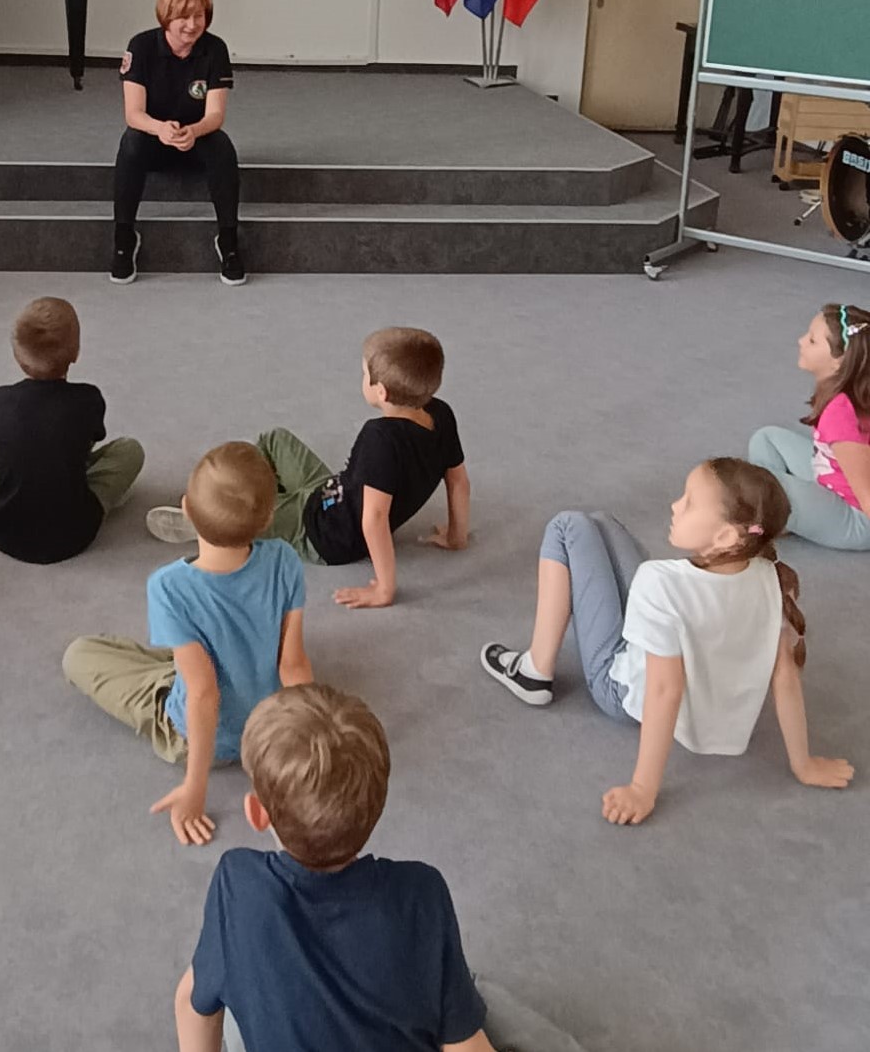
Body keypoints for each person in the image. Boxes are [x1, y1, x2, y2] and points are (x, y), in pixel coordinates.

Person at [481, 458, 854, 826]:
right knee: (599, 522)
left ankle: (534, 670)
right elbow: (785, 676)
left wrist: (642, 789)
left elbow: (664, 689)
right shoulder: (768, 576)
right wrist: (803, 764)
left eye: (689, 502)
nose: (675, 505)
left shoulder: (659, 581)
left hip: (621, 691)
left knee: (566, 526)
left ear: (725, 537)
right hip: (694, 675)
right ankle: (543, 657)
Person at [174, 682, 496, 1052]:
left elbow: (193, 1005)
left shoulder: (239, 886)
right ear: (376, 808)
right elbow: (465, 1045)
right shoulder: (421, 893)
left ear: (257, 813)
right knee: (479, 999)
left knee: (235, 1008)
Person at [62, 442, 312, 845]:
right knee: (201, 650)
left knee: (81, 653)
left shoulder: (168, 587)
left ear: (186, 508)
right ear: (268, 519)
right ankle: (192, 650)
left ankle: (184, 651)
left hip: (201, 736)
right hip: (265, 727)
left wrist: (196, 786)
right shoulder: (284, 559)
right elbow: (294, 666)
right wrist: (299, 745)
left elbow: (203, 694)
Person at [145, 327, 471, 609]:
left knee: (245, 509)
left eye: (364, 374)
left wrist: (384, 590)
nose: (361, 379)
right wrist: (456, 536)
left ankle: (209, 521)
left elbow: (374, 518)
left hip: (323, 533)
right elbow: (458, 481)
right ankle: (263, 497)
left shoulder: (380, 439)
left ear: (380, 391)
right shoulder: (441, 413)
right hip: (329, 492)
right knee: (274, 439)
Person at [0, 297, 144, 564]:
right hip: (75, 532)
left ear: (16, 356)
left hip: (4, 528)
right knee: (130, 450)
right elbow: (89, 443)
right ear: (76, 353)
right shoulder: (88, 398)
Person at [111, 0, 246, 286]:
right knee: (131, 143)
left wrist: (193, 132)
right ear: (166, 17)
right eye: (183, 17)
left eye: (199, 16)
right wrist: (161, 129)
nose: (192, 25)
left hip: (195, 139)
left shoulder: (215, 48)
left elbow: (215, 115)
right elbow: (133, 114)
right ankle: (123, 237)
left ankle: (228, 240)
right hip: (154, 138)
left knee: (223, 147)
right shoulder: (141, 46)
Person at [748, 303, 870, 549]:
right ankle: (779, 516)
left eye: (812, 340)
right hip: (831, 478)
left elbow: (866, 492)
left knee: (759, 482)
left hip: (858, 519)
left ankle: (770, 519)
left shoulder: (841, 414)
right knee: (766, 438)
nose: (801, 340)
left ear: (838, 363)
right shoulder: (844, 393)